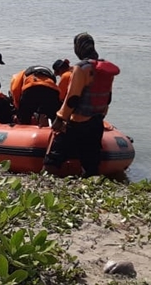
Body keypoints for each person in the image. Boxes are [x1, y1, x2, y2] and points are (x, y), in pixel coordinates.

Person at [44, 33, 120, 177]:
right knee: (91, 163)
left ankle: (48, 180)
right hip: (97, 121)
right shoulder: (105, 68)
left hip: (78, 122)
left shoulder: (81, 68)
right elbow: (108, 97)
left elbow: (73, 98)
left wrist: (60, 118)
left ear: (78, 48)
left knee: (53, 159)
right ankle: (91, 183)